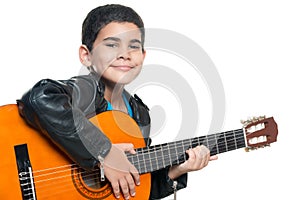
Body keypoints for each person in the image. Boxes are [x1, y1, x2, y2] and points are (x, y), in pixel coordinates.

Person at [17, 4, 217, 200]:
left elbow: (132, 184)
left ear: (143, 56)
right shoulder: (86, 90)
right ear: (86, 56)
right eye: (112, 45)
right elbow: (40, 98)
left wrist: (176, 170)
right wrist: (104, 152)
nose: (124, 54)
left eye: (134, 47)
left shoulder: (140, 115)